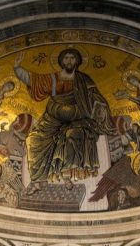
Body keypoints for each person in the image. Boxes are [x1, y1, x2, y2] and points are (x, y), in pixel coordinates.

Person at [13, 48, 115, 191]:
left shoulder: (84, 79)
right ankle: (38, 181)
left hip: (78, 119)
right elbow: (34, 81)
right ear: (61, 61)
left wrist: (101, 109)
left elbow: (95, 97)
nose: (69, 61)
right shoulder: (54, 78)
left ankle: (67, 175)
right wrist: (18, 68)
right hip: (52, 119)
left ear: (77, 61)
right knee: (33, 139)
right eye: (66, 58)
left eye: (72, 58)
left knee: (72, 135)